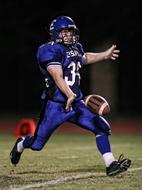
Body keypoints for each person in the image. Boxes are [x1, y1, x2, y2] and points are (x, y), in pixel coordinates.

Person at [10, 16, 131, 176]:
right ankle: (21, 144)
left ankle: (111, 164)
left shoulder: (76, 47)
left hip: (76, 103)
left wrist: (104, 55)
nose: (69, 35)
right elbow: (56, 75)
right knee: (37, 145)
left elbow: (84, 58)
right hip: (55, 106)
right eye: (65, 32)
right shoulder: (48, 49)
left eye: (71, 32)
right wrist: (69, 94)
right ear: (55, 33)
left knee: (102, 127)